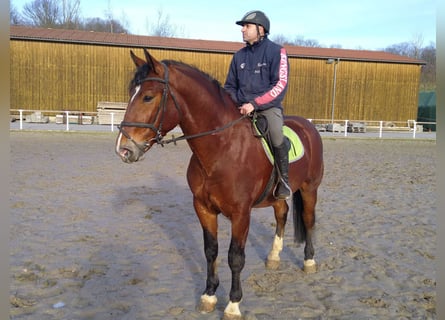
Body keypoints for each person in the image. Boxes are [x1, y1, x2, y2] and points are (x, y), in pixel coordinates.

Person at [224, 10, 291, 200]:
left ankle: (283, 180)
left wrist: (254, 104)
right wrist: (239, 103)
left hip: (268, 108)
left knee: (277, 134)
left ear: (261, 29)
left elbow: (280, 84)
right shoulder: (239, 56)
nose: (242, 30)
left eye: (247, 26)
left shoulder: (278, 52)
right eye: (242, 27)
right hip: (240, 108)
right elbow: (229, 86)